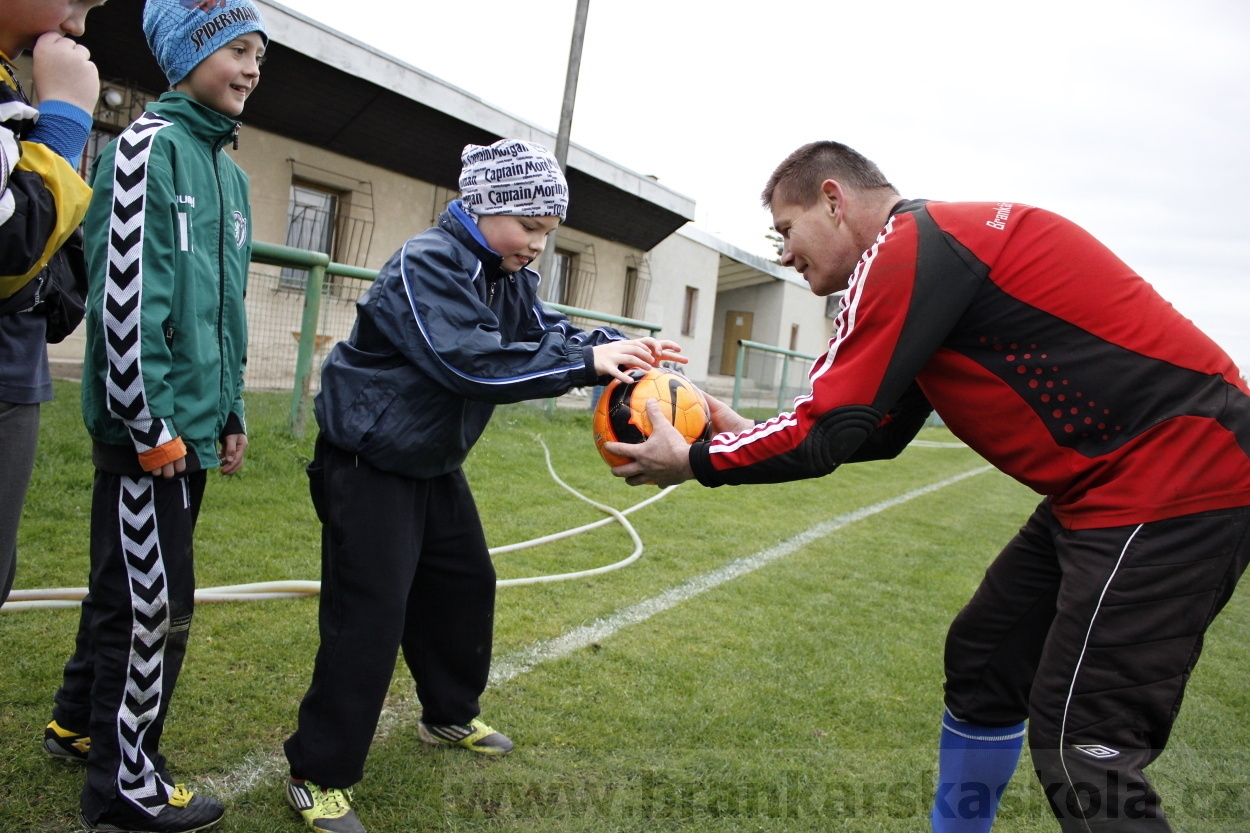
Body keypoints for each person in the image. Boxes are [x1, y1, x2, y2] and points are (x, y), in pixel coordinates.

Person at [607, 140, 1250, 833]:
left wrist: (695, 460)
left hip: (1177, 478)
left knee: (1084, 745)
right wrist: (736, 429)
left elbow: (829, 431)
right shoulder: (929, 260)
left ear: (833, 199)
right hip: (1103, 491)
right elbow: (875, 428)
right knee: (984, 660)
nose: (784, 255)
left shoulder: (911, 247)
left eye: (786, 231)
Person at [282, 138, 685, 833]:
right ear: (486, 206)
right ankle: (317, 773)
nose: (537, 244)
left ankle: (447, 714)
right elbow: (470, 362)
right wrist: (588, 361)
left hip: (432, 460)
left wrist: (613, 344)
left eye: (547, 233)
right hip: (369, 462)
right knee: (369, 615)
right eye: (529, 227)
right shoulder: (426, 263)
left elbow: (540, 335)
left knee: (465, 583)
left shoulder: (506, 273)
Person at [44, 1, 266, 830]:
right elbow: (126, 301)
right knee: (155, 608)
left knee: (124, 587)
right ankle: (124, 786)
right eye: (236, 50)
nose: (250, 68)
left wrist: (233, 409)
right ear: (188, 53)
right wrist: (151, 425)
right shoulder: (146, 149)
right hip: (151, 435)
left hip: (195, 428)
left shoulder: (231, 173)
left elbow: (227, 310)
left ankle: (75, 723)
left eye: (259, 56)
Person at [0, 0, 106, 609]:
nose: (77, 25)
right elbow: (12, 240)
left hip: (17, 370)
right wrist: (64, 121)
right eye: (74, 1)